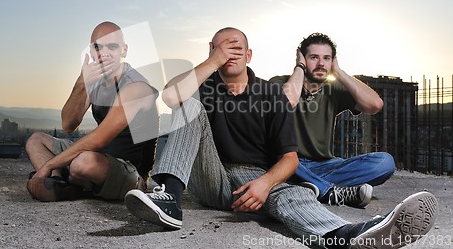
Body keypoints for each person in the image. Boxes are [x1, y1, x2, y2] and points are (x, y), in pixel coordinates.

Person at [124, 27, 436, 248]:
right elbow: (170, 96)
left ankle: (349, 235)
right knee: (186, 103)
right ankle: (170, 201)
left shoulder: (270, 93)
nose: (228, 50)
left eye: (235, 46)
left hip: (258, 178)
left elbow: (289, 159)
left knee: (294, 194)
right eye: (221, 46)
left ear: (248, 54)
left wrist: (265, 183)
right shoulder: (203, 86)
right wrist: (213, 61)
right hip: (213, 175)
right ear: (211, 51)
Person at [25, 21, 159, 202]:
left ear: (124, 50)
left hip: (130, 172)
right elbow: (68, 124)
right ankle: (60, 183)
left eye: (112, 47)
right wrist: (82, 81)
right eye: (98, 47)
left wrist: (47, 166)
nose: (103, 54)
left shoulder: (136, 86)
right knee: (36, 141)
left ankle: (62, 180)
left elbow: (99, 139)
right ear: (91, 50)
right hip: (97, 156)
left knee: (83, 163)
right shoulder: (95, 80)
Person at [269, 32, 395, 208]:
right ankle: (329, 191)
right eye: (314, 57)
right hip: (288, 162)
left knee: (385, 163)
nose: (321, 63)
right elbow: (287, 102)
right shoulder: (279, 82)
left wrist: (339, 72)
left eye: (327, 58)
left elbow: (375, 105)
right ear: (303, 59)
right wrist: (299, 67)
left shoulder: (333, 89)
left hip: (324, 164)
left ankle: (310, 186)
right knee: (276, 159)